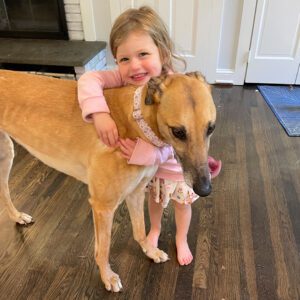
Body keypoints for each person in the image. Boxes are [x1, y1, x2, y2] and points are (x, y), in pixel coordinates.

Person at [78, 6, 221, 265]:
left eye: (143, 54)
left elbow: (181, 133)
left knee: (182, 205)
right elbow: (88, 79)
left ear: (162, 53)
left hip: (172, 170)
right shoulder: (125, 78)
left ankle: (181, 238)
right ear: (117, 60)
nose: (134, 66)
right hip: (152, 174)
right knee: (153, 204)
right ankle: (152, 233)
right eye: (124, 59)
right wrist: (99, 113)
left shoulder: (178, 86)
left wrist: (197, 155)